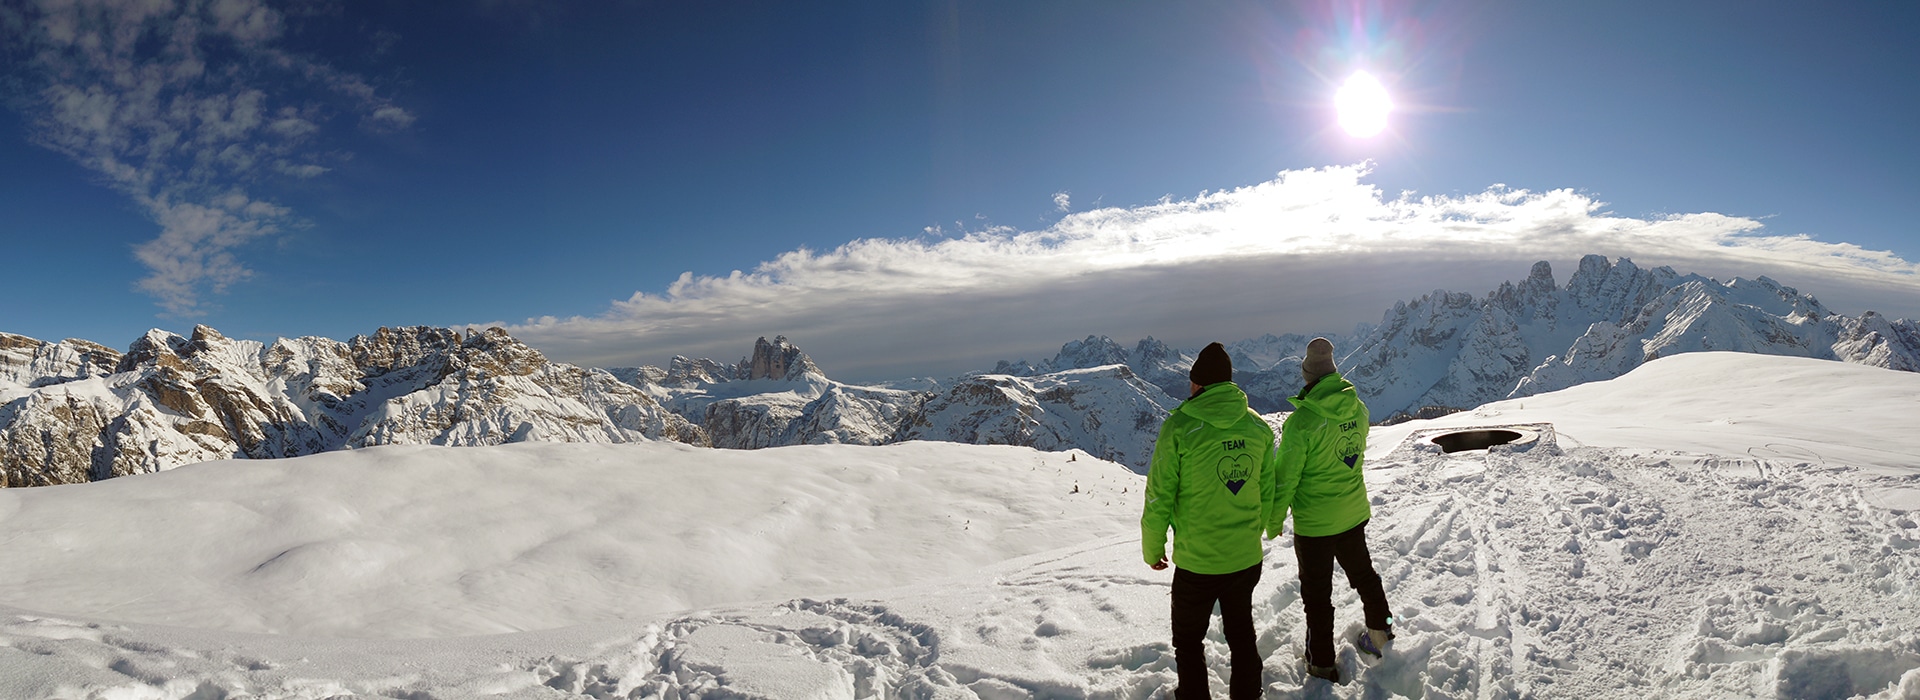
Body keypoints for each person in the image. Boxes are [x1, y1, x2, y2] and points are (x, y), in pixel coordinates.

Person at [1142, 342, 1280, 700]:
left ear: (1198, 384)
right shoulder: (1258, 427)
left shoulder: (1179, 427)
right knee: (1241, 633)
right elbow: (1266, 490)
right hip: (1245, 558)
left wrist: (1153, 548)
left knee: (1188, 641)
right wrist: (1253, 532)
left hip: (1197, 561)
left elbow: (1159, 495)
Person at [1271, 337, 1394, 683]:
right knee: (1366, 577)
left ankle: (1322, 663)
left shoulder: (1302, 422)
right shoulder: (1358, 408)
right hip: (1352, 513)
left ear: (1307, 376)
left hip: (1315, 525)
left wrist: (1274, 519)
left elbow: (1286, 478)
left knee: (1317, 596)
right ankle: (1382, 635)